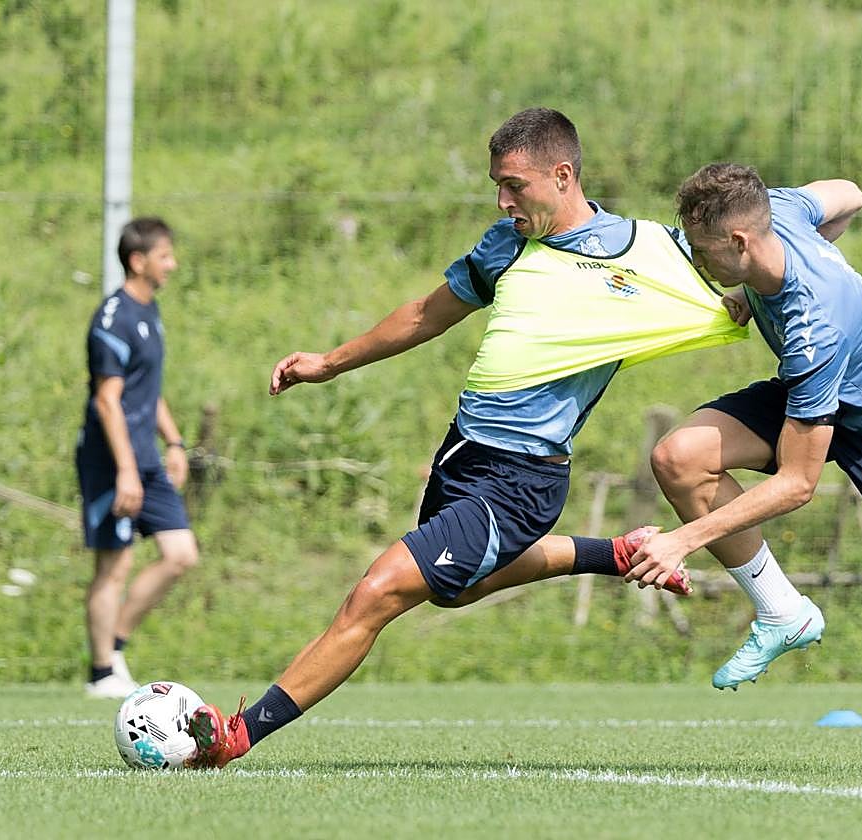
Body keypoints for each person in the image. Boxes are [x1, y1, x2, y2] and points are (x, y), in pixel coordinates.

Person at [184, 108, 745, 768]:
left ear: (563, 176)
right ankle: (618, 553)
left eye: (514, 185)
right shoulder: (508, 244)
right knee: (456, 587)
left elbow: (767, 242)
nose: (503, 200)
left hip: (522, 480)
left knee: (378, 592)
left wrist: (751, 301)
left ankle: (239, 734)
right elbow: (427, 313)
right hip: (463, 454)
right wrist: (329, 362)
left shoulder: (642, 252)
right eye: (496, 185)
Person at [623, 163, 862, 772]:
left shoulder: (814, 325)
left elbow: (797, 484)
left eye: (703, 251)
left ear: (740, 242)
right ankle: (782, 610)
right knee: (680, 458)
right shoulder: (778, 210)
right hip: (820, 393)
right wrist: (751, 289)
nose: (697, 262)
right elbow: (852, 194)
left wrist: (682, 540)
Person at [76, 217, 199, 699]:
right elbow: (108, 401)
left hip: (146, 456)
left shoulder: (150, 311)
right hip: (111, 460)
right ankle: (101, 673)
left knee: (181, 554)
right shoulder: (114, 318)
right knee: (115, 565)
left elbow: (148, 389)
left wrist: (174, 442)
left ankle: (115, 644)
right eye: (165, 256)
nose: (173, 264)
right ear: (138, 260)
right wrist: (126, 471)